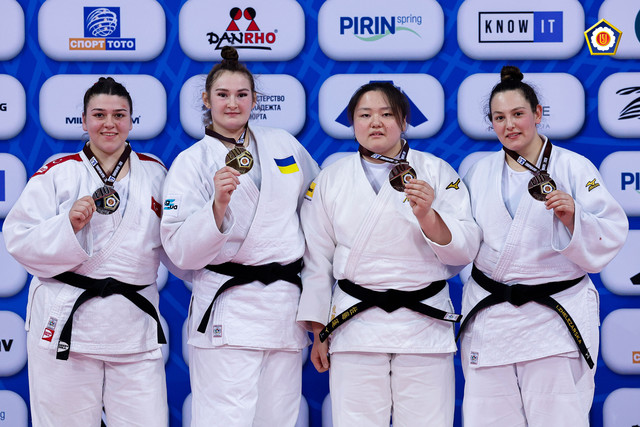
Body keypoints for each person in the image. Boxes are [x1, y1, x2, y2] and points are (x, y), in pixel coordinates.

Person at [297, 81, 481, 426]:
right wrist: (319, 329)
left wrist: (428, 215)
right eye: (365, 115)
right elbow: (316, 259)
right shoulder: (331, 179)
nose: (375, 123)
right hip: (355, 324)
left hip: (423, 322)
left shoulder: (437, 172)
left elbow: (465, 248)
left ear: (404, 121)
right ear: (352, 122)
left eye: (386, 114)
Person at [459, 66, 629, 426]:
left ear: (537, 114)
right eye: (499, 118)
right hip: (492, 315)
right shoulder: (478, 171)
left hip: (554, 318)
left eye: (518, 114)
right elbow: (461, 239)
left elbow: (611, 230)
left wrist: (574, 217)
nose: (509, 125)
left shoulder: (574, 167)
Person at [3, 77, 176, 426]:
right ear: (83, 121)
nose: (109, 124)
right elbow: (18, 238)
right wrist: (67, 226)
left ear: (131, 121)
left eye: (119, 115)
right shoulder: (57, 173)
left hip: (133, 324)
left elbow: (179, 242)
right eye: (99, 115)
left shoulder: (157, 174)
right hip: (68, 324)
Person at [160, 46, 319, 426]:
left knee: (279, 418)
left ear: (254, 100)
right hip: (229, 309)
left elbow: (316, 210)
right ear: (206, 100)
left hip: (283, 307)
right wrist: (216, 207)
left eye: (241, 94)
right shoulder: (192, 162)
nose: (233, 103)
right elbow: (179, 250)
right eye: (223, 94)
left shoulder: (283, 144)